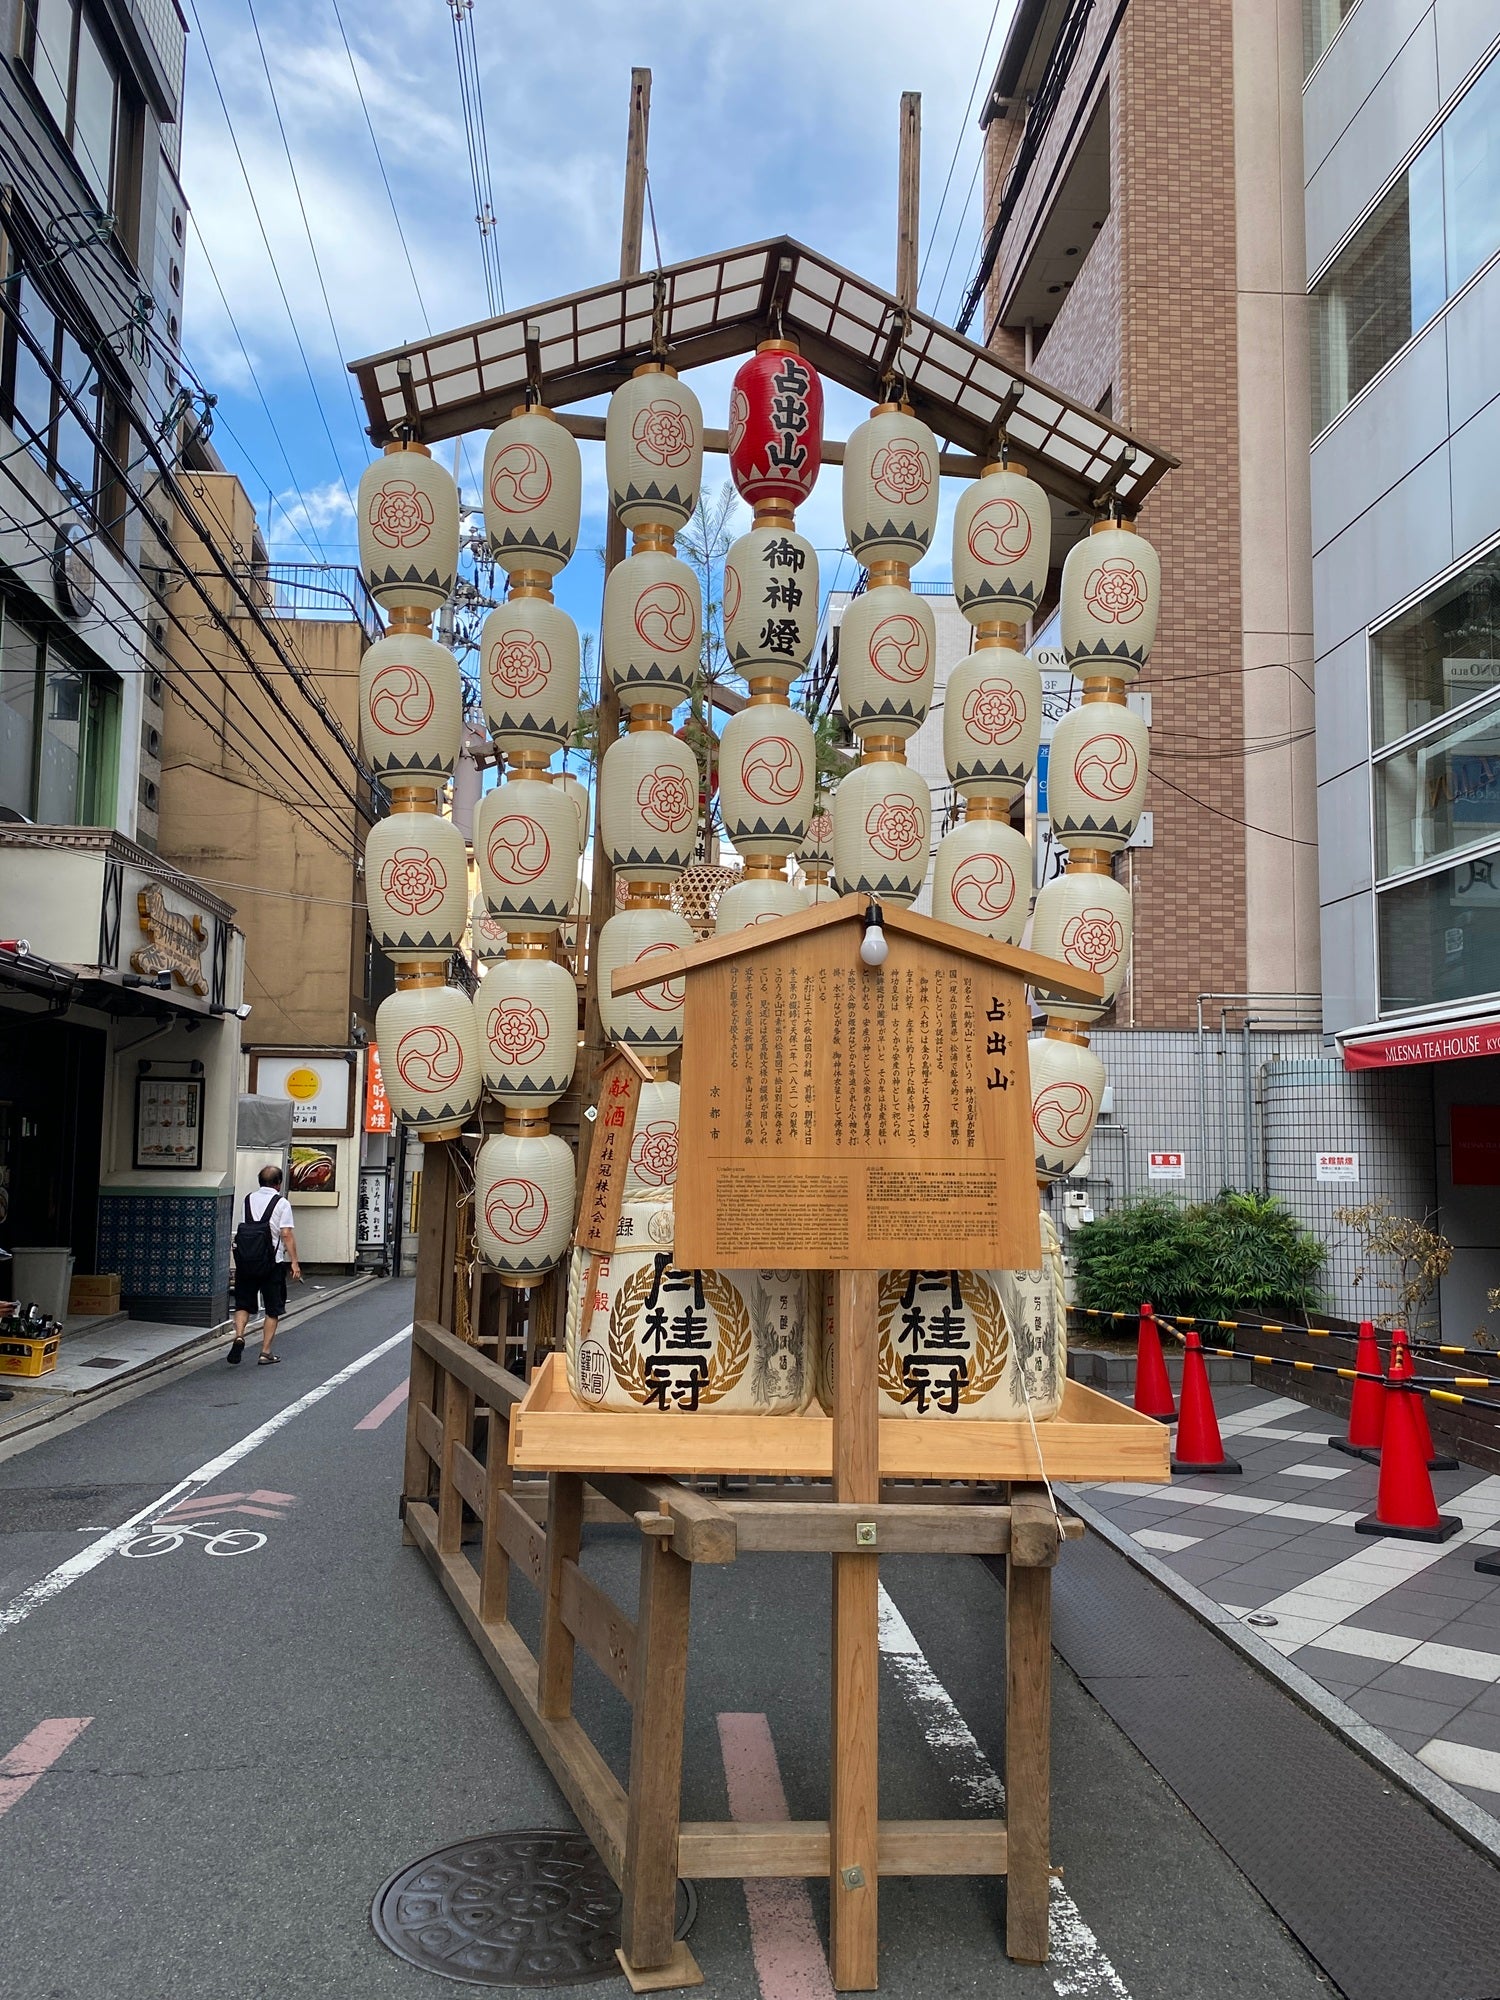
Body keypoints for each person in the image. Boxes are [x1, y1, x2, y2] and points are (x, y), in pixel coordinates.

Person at [228, 1165, 301, 1366]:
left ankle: (240, 1335)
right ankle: (265, 1352)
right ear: (278, 1184)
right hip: (271, 1263)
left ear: (260, 1182)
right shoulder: (282, 1203)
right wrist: (294, 1262)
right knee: (272, 1309)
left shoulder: (248, 1199)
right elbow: (286, 1233)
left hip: (246, 1261)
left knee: (243, 1303)